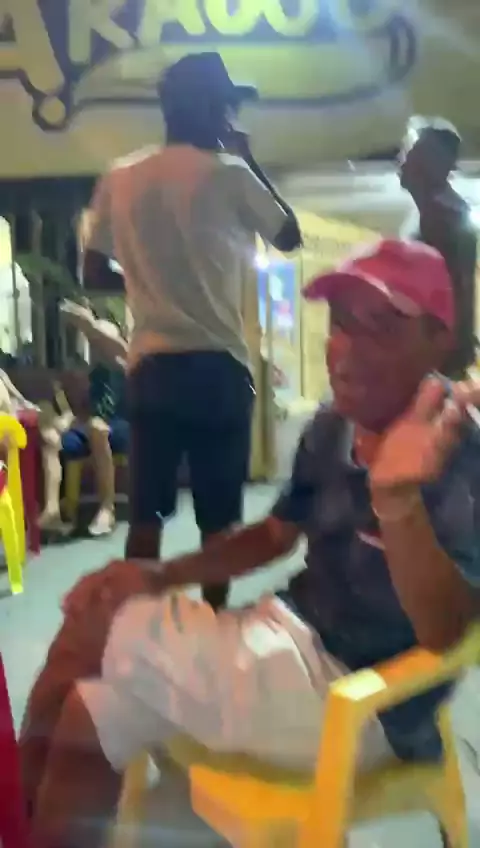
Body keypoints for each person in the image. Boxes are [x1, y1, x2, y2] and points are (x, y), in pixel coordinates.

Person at [21, 239, 480, 847]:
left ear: (439, 340)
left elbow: (448, 632)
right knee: (91, 712)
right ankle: (24, 824)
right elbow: (275, 533)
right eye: (341, 322)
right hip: (287, 641)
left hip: (366, 703)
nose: (349, 347)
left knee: (98, 621)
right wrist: (160, 575)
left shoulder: (461, 450)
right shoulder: (332, 425)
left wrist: (398, 504)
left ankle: (10, 811)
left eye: (383, 325)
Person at [82, 51, 302, 608]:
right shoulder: (231, 174)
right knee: (219, 521)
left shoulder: (121, 176)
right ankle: (213, 623)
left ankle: (134, 626)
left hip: (152, 368)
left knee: (146, 517)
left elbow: (92, 272)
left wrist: (148, 282)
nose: (231, 116)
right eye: (227, 106)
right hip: (217, 369)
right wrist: (248, 157)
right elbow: (289, 236)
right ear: (211, 110)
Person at [38, 301, 128, 536]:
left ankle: (107, 509)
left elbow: (112, 345)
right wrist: (66, 421)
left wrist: (88, 324)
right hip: (91, 425)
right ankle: (52, 510)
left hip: (123, 426)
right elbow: (85, 412)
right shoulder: (94, 373)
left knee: (98, 428)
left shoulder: (125, 364)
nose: (97, 346)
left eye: (101, 340)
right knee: (51, 435)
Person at [399, 115, 477, 379]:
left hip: (436, 363)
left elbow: (454, 293)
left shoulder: (442, 218)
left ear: (436, 163)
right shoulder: (431, 214)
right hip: (435, 358)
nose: (403, 159)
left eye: (413, 151)